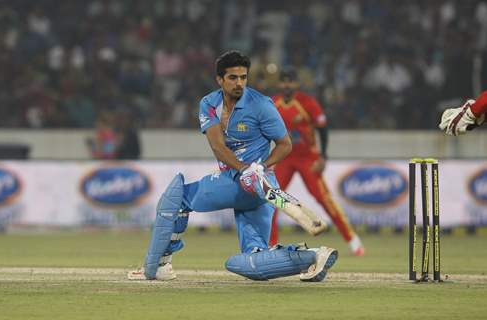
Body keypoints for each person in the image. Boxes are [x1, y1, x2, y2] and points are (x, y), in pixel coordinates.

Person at [127, 51, 338, 282]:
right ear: (220, 79)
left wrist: (261, 166)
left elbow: (285, 145)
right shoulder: (209, 103)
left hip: (258, 184)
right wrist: (243, 168)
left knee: (176, 199)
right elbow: (218, 147)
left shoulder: (262, 105)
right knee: (253, 260)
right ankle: (313, 256)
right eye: (233, 78)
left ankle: (157, 266)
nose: (239, 83)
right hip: (243, 180)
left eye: (243, 77)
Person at [270, 67, 365, 256]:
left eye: (290, 81)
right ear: (279, 84)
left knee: (323, 198)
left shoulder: (307, 102)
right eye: (284, 81)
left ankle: (352, 238)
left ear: (296, 84)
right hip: (284, 158)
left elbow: (322, 128)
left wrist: (323, 156)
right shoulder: (273, 104)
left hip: (308, 158)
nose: (287, 85)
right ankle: (271, 244)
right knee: (273, 199)